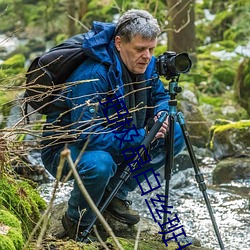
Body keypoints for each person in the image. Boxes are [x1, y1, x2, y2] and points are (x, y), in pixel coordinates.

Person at [41, 9, 185, 241]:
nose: (147, 56)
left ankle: (115, 194)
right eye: (140, 49)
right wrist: (142, 135)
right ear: (119, 43)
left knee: (175, 132)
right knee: (100, 164)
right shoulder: (92, 75)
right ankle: (76, 221)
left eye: (151, 49)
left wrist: (161, 114)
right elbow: (87, 135)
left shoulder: (146, 64)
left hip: (119, 135)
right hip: (67, 150)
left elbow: (159, 96)